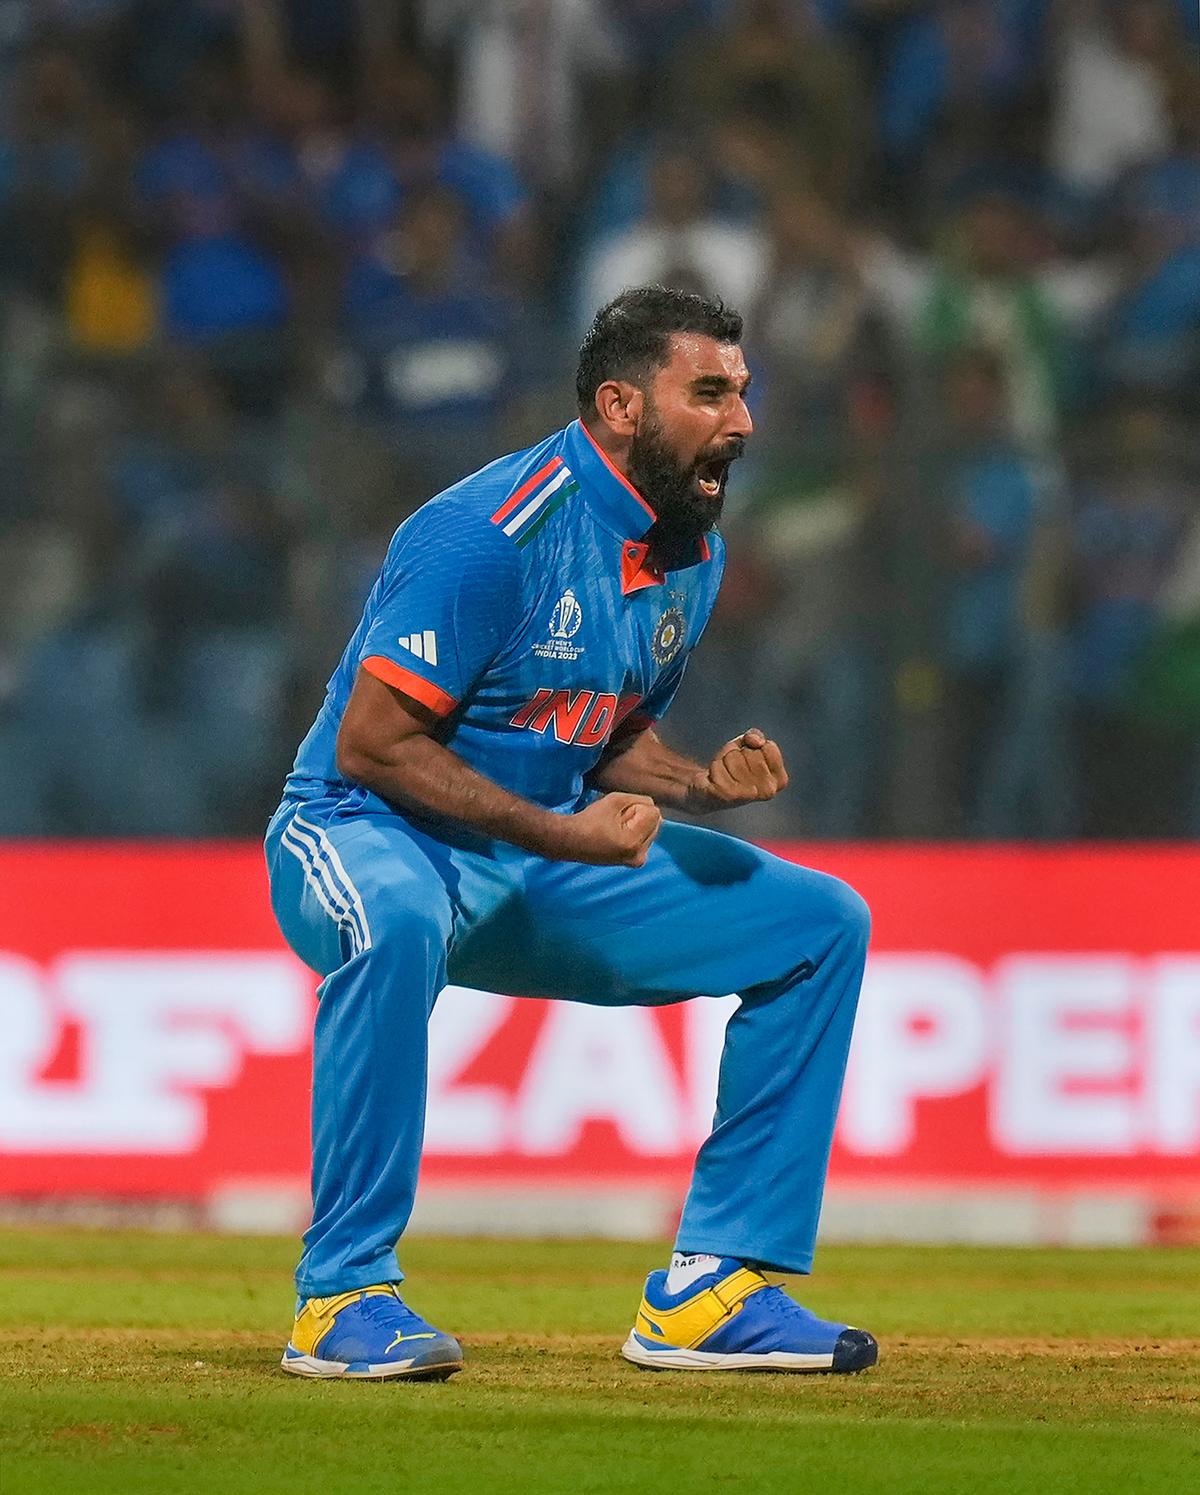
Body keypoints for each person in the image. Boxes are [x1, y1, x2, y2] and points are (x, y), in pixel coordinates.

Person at [265, 285, 876, 1381]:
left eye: (742, 392)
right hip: (364, 830)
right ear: (621, 406)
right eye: (709, 392)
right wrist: (564, 838)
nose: (742, 421)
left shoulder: (690, 552)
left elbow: (595, 729)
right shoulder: (489, 533)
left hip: (538, 855)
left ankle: (714, 1290)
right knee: (394, 921)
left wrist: (694, 782)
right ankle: (341, 1293)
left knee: (819, 923)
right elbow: (374, 746)